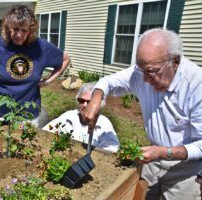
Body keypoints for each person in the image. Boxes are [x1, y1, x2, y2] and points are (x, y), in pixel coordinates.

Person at [81, 28, 202, 199]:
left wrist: (164, 152)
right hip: (152, 160)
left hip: (185, 171)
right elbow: (108, 82)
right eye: (142, 70)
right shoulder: (144, 71)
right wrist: (96, 99)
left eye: (152, 72)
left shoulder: (196, 85)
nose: (145, 79)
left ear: (174, 61)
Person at [0, 5, 70, 128]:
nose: (19, 35)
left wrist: (48, 81)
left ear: (30, 30)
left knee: (25, 146)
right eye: (15, 29)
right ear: (8, 28)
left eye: (24, 30)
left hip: (28, 115)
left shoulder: (41, 47)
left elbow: (65, 58)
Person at [42, 82, 120, 153]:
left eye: (89, 102)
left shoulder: (104, 123)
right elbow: (45, 133)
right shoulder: (69, 117)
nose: (85, 105)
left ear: (99, 104)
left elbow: (112, 148)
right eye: (81, 101)